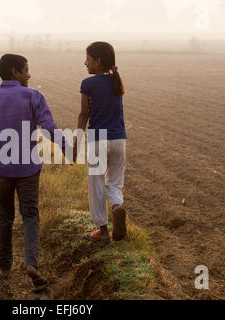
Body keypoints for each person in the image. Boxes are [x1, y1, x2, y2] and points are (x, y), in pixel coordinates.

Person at [0, 54, 69, 292]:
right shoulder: (33, 96)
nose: (29, 75)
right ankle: (31, 265)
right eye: (26, 70)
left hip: (3, 168)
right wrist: (67, 149)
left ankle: (5, 266)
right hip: (28, 167)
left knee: (5, 216)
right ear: (14, 72)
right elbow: (49, 128)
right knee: (30, 216)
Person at [73, 42, 128, 242]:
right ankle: (117, 207)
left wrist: (77, 142)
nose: (85, 63)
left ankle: (103, 231)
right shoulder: (116, 80)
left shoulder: (88, 83)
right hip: (119, 138)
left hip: (98, 139)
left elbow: (84, 114)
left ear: (98, 61)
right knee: (114, 182)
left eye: (88, 59)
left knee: (96, 184)